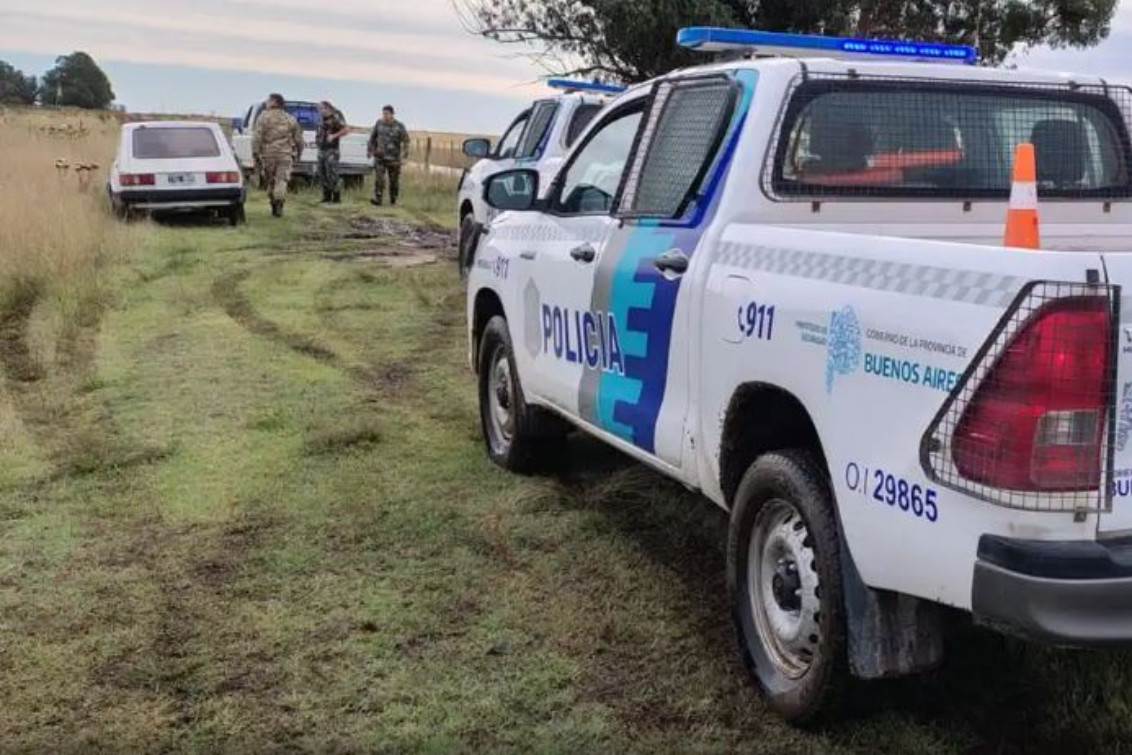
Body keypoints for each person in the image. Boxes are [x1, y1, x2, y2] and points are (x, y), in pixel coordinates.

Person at [253, 93, 303, 217]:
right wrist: (299, 154)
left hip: (268, 154)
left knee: (271, 181)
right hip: (285, 154)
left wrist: (255, 153)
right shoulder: (289, 118)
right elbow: (299, 140)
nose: (266, 102)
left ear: (274, 102)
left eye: (268, 100)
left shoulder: (263, 117)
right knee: (282, 180)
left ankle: (274, 204)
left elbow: (257, 137)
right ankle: (279, 202)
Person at [367, 105, 410, 206]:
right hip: (380, 157)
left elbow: (406, 140)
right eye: (383, 113)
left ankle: (393, 200)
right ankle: (378, 199)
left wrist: (405, 154)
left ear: (392, 114)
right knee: (379, 179)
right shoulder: (379, 123)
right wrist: (369, 150)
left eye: (386, 114)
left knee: (394, 181)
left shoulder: (399, 126)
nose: (384, 116)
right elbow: (372, 138)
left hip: (394, 159)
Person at [316, 100, 348, 204]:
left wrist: (334, 136)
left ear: (327, 108)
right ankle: (327, 196)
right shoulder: (321, 118)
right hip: (322, 149)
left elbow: (345, 129)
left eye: (321, 108)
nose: (319, 111)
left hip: (332, 150)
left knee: (332, 173)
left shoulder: (336, 115)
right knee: (322, 172)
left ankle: (336, 197)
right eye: (319, 109)